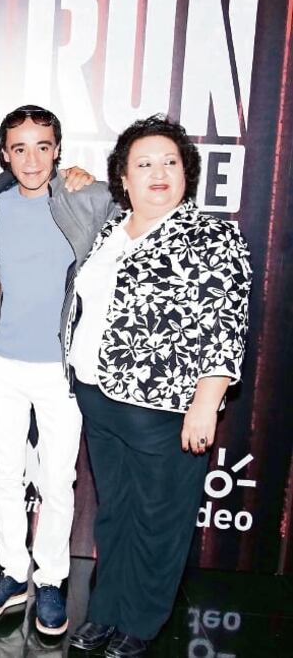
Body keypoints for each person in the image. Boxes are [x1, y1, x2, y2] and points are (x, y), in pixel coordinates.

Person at [66, 116, 251, 658]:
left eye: (170, 162)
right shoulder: (110, 231)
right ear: (123, 178)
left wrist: (207, 403)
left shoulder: (212, 235)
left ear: (187, 172)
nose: (158, 173)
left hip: (163, 409)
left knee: (159, 521)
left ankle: (140, 623)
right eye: (144, 164)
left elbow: (226, 325)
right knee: (114, 513)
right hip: (99, 398)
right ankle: (105, 611)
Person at [0, 105, 117, 635]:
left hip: (61, 367)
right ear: (4, 153)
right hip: (3, 361)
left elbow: (135, 213)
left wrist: (93, 181)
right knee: (4, 476)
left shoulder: (85, 198)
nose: (31, 158)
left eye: (43, 146)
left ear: (58, 150)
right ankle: (12, 573)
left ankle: (51, 579)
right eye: (20, 147)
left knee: (57, 480)